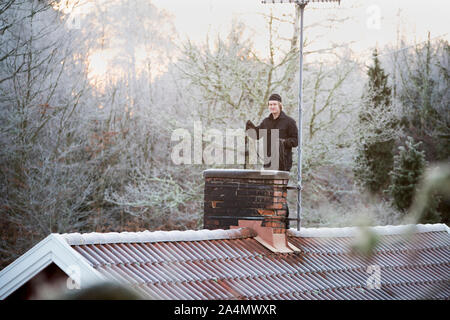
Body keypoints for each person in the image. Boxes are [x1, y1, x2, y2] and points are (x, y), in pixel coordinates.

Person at [246, 93, 298, 172]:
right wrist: (249, 127)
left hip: (283, 163)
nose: (272, 107)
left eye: (274, 104)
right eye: (270, 104)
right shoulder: (266, 122)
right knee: (267, 184)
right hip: (268, 163)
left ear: (280, 105)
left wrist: (283, 142)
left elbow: (296, 141)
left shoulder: (289, 122)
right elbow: (257, 135)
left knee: (279, 185)